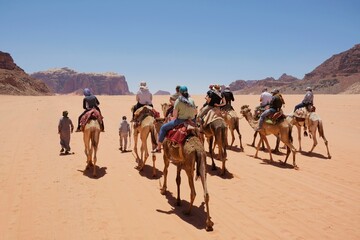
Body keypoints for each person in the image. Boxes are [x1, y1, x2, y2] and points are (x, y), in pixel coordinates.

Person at [152, 86, 197, 153]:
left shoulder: (178, 101)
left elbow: (175, 116)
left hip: (180, 121)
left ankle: (158, 148)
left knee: (163, 128)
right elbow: (195, 112)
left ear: (180, 93)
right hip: (192, 121)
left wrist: (173, 117)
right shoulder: (192, 100)